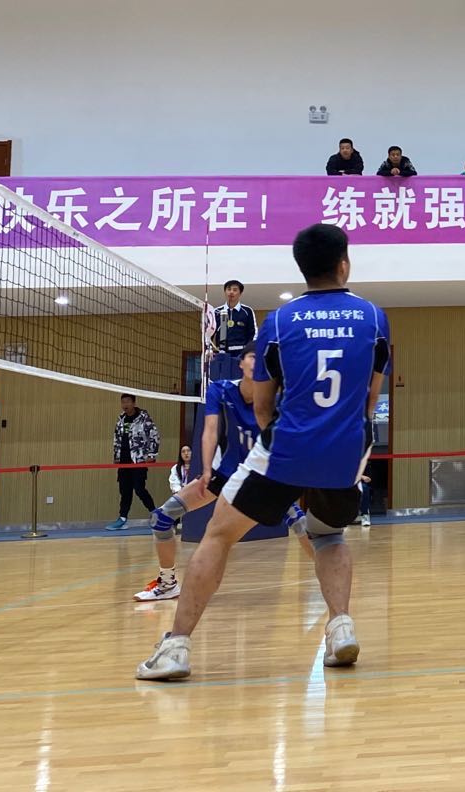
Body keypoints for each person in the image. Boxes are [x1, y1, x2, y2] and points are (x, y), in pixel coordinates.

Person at [136, 223, 391, 681]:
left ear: (302, 267)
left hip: (286, 448)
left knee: (218, 535)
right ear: (344, 264)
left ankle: (175, 648)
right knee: (329, 535)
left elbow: (262, 404)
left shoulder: (279, 321)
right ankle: (340, 627)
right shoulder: (374, 318)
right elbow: (372, 398)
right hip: (346, 451)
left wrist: (288, 433)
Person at [134, 346, 310, 603]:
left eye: (263, 360)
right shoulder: (221, 390)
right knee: (161, 518)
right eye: (252, 357)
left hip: (261, 480)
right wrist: (206, 469)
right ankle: (168, 583)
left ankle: (328, 577)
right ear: (241, 363)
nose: (257, 363)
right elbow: (210, 430)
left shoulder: (279, 397)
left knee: (302, 524)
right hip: (223, 474)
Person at [106, 394, 160, 530]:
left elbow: (154, 436)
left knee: (139, 489)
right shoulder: (120, 419)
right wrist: (116, 456)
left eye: (127, 402)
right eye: (123, 402)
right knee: (125, 490)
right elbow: (116, 439)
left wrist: (152, 454)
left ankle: (155, 513)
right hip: (123, 461)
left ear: (134, 403)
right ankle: (122, 518)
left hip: (139, 460)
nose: (125, 405)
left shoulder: (144, 418)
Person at [206, 279, 257, 381]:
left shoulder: (247, 311)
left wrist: (248, 352)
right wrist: (209, 349)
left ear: (240, 293)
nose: (231, 292)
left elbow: (253, 333)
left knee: (240, 383)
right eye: (229, 289)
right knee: (222, 383)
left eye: (235, 290)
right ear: (225, 292)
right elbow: (209, 334)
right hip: (222, 354)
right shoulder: (217, 312)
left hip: (241, 354)